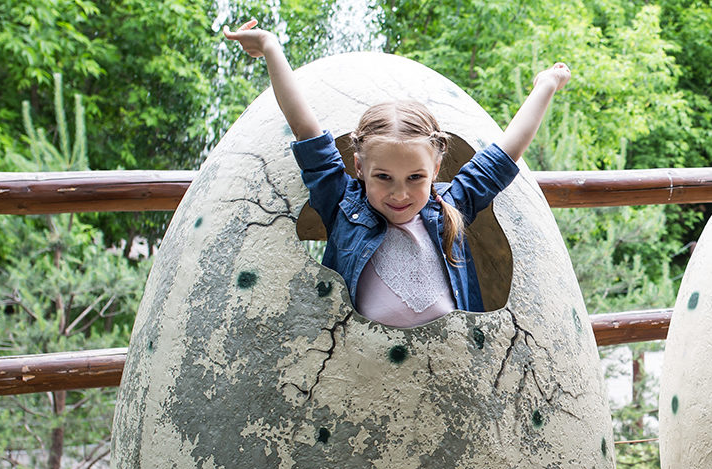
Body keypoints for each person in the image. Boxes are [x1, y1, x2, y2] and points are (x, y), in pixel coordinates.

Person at [224, 20, 571, 326]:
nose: (400, 193)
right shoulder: (342, 204)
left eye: (415, 177)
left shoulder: (450, 208)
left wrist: (546, 85)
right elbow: (306, 130)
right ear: (360, 167)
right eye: (383, 177)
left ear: (435, 169)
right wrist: (270, 47)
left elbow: (506, 153)